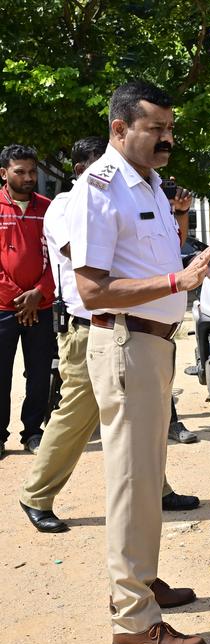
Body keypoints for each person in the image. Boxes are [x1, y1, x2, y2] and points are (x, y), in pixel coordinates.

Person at [67, 81, 210, 644]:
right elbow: (93, 289)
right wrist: (176, 282)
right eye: (156, 129)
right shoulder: (98, 191)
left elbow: (147, 264)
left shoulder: (148, 184)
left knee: (148, 476)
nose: (167, 140)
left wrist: (192, 268)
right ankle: (132, 618)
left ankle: (142, 580)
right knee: (131, 484)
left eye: (170, 130)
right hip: (125, 345)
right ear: (119, 128)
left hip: (153, 345)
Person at [19, 136, 200, 536]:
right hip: (90, 329)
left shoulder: (135, 194)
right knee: (75, 418)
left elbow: (162, 251)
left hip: (137, 328)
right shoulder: (71, 205)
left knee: (147, 418)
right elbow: (91, 260)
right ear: (84, 169)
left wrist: (177, 218)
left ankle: (159, 488)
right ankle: (36, 494)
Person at [0, 144, 55, 456]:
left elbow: (59, 259)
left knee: (38, 374)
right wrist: (19, 299)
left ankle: (33, 433)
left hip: (41, 305)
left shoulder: (48, 208)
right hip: (3, 308)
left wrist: (39, 294)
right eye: (20, 171)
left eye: (32, 171)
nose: (28, 177)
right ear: (4, 173)